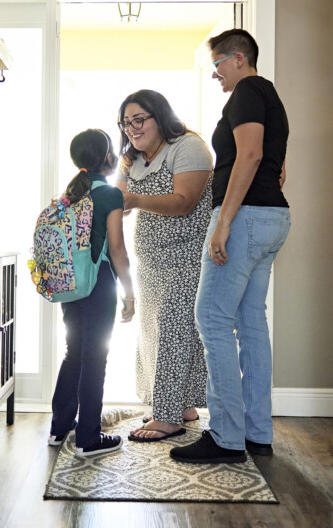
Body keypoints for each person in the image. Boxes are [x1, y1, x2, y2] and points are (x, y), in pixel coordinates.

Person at [170, 29, 291, 465]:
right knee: (250, 321)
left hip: (246, 219)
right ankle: (257, 432)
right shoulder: (269, 96)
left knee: (211, 318)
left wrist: (223, 223)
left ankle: (224, 436)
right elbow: (272, 162)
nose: (215, 74)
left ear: (238, 58)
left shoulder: (244, 92)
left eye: (217, 65)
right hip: (272, 217)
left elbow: (251, 155)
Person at [113, 90, 214, 442]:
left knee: (175, 330)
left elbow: (185, 202)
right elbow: (119, 202)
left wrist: (134, 199)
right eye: (126, 123)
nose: (132, 128)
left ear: (160, 116)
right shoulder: (132, 159)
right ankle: (179, 405)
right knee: (154, 335)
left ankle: (169, 417)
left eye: (139, 119)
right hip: (151, 263)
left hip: (187, 256)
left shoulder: (187, 147)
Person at [48, 128, 137, 456]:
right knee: (95, 357)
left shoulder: (70, 194)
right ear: (108, 158)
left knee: (75, 352)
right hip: (98, 285)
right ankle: (88, 437)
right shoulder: (109, 195)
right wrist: (130, 294)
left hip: (70, 285)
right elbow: (118, 250)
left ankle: (59, 429)